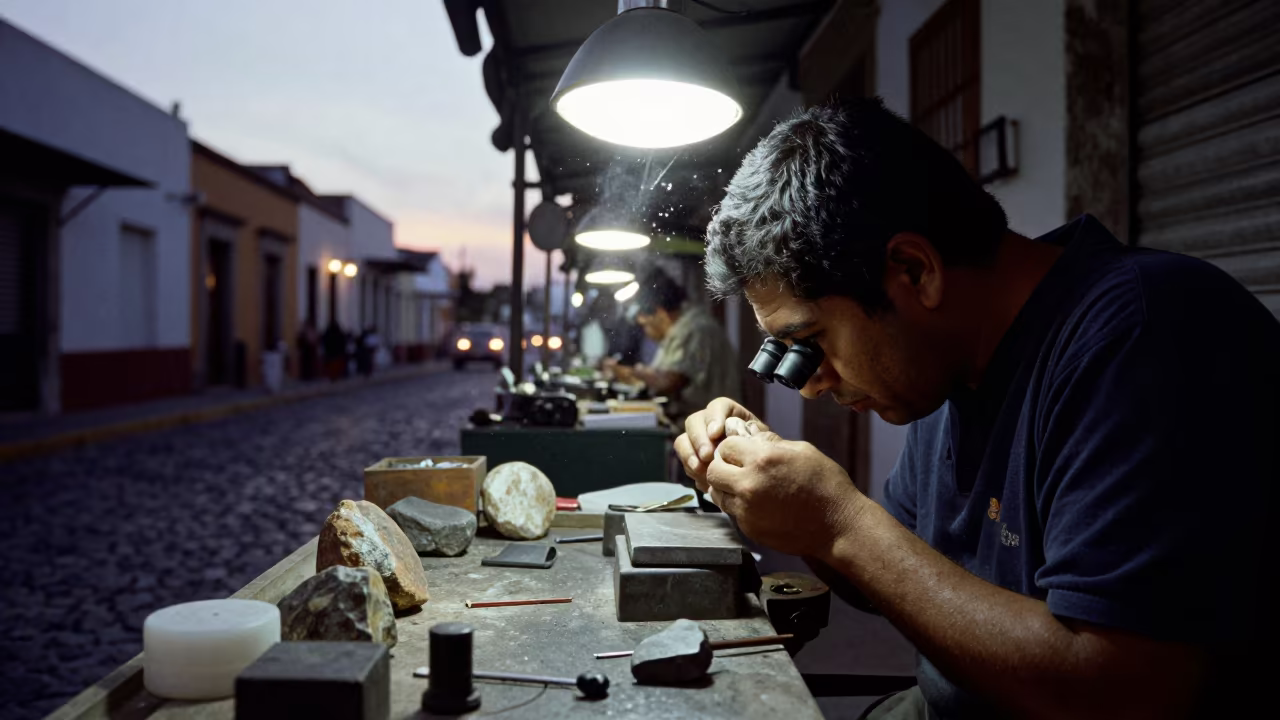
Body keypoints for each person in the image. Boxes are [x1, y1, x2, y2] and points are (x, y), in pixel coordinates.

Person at [675, 98, 1278, 719]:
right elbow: (896, 580)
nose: (808, 385)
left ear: (914, 270)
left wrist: (838, 520)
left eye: (812, 342)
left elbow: (1119, 690)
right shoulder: (946, 367)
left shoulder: (1145, 334)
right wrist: (780, 499)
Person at [609, 268, 740, 424]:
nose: (647, 332)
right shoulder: (679, 329)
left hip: (714, 430)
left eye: (646, 325)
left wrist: (634, 372)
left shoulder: (694, 329)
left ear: (660, 313)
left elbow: (669, 382)